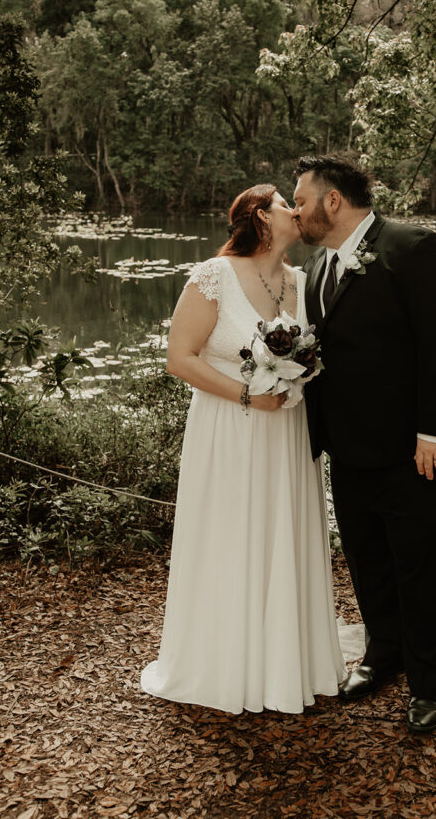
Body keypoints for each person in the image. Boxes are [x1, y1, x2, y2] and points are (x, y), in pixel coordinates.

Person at [141, 184, 346, 715]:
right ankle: (227, 662)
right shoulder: (213, 276)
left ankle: (286, 662)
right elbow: (179, 359)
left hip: (288, 432)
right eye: (286, 204)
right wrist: (247, 394)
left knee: (284, 534)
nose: (296, 211)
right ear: (260, 216)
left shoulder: (304, 281)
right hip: (229, 428)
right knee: (232, 534)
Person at [293, 157, 436, 734]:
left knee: (419, 566)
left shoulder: (411, 247)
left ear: (333, 201)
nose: (296, 210)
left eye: (301, 199)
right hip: (349, 449)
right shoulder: (320, 265)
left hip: (416, 451)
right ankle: (382, 656)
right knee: (368, 561)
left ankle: (428, 684)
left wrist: (435, 431)